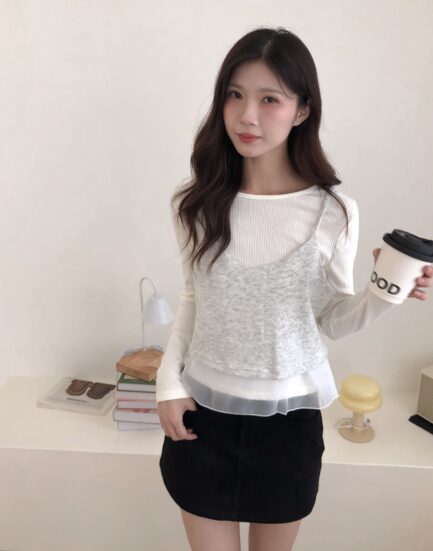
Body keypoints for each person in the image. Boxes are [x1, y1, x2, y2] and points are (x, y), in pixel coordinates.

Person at [156, 26, 432, 551]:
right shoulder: (196, 203)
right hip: (202, 420)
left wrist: (383, 294)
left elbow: (331, 319)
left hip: (289, 426)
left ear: (302, 109)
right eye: (234, 95)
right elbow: (192, 298)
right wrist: (169, 385)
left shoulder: (335, 212)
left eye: (270, 99)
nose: (247, 116)